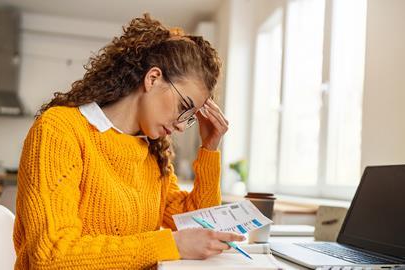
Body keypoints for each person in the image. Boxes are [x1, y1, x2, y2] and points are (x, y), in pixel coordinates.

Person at [13, 13, 244, 269]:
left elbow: (199, 224)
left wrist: (210, 149)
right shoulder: (60, 130)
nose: (181, 124)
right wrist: (172, 244)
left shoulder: (153, 152)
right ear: (153, 78)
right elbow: (52, 256)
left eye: (190, 117)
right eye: (184, 106)